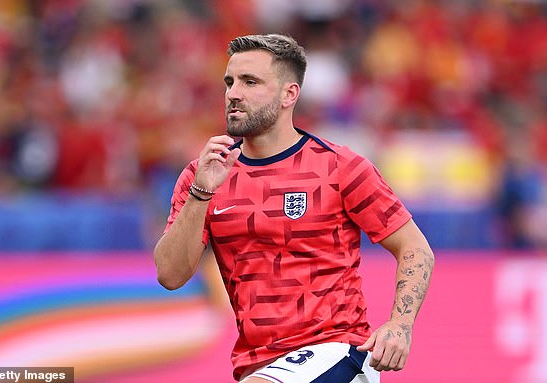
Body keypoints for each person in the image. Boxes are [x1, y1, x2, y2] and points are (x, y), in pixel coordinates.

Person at [154, 34, 434, 383]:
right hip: (256, 364)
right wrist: (200, 193)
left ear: (290, 94)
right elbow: (170, 275)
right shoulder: (205, 175)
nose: (233, 94)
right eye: (230, 82)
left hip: (338, 353)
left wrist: (400, 324)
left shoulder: (339, 166)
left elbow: (415, 248)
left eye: (250, 82)